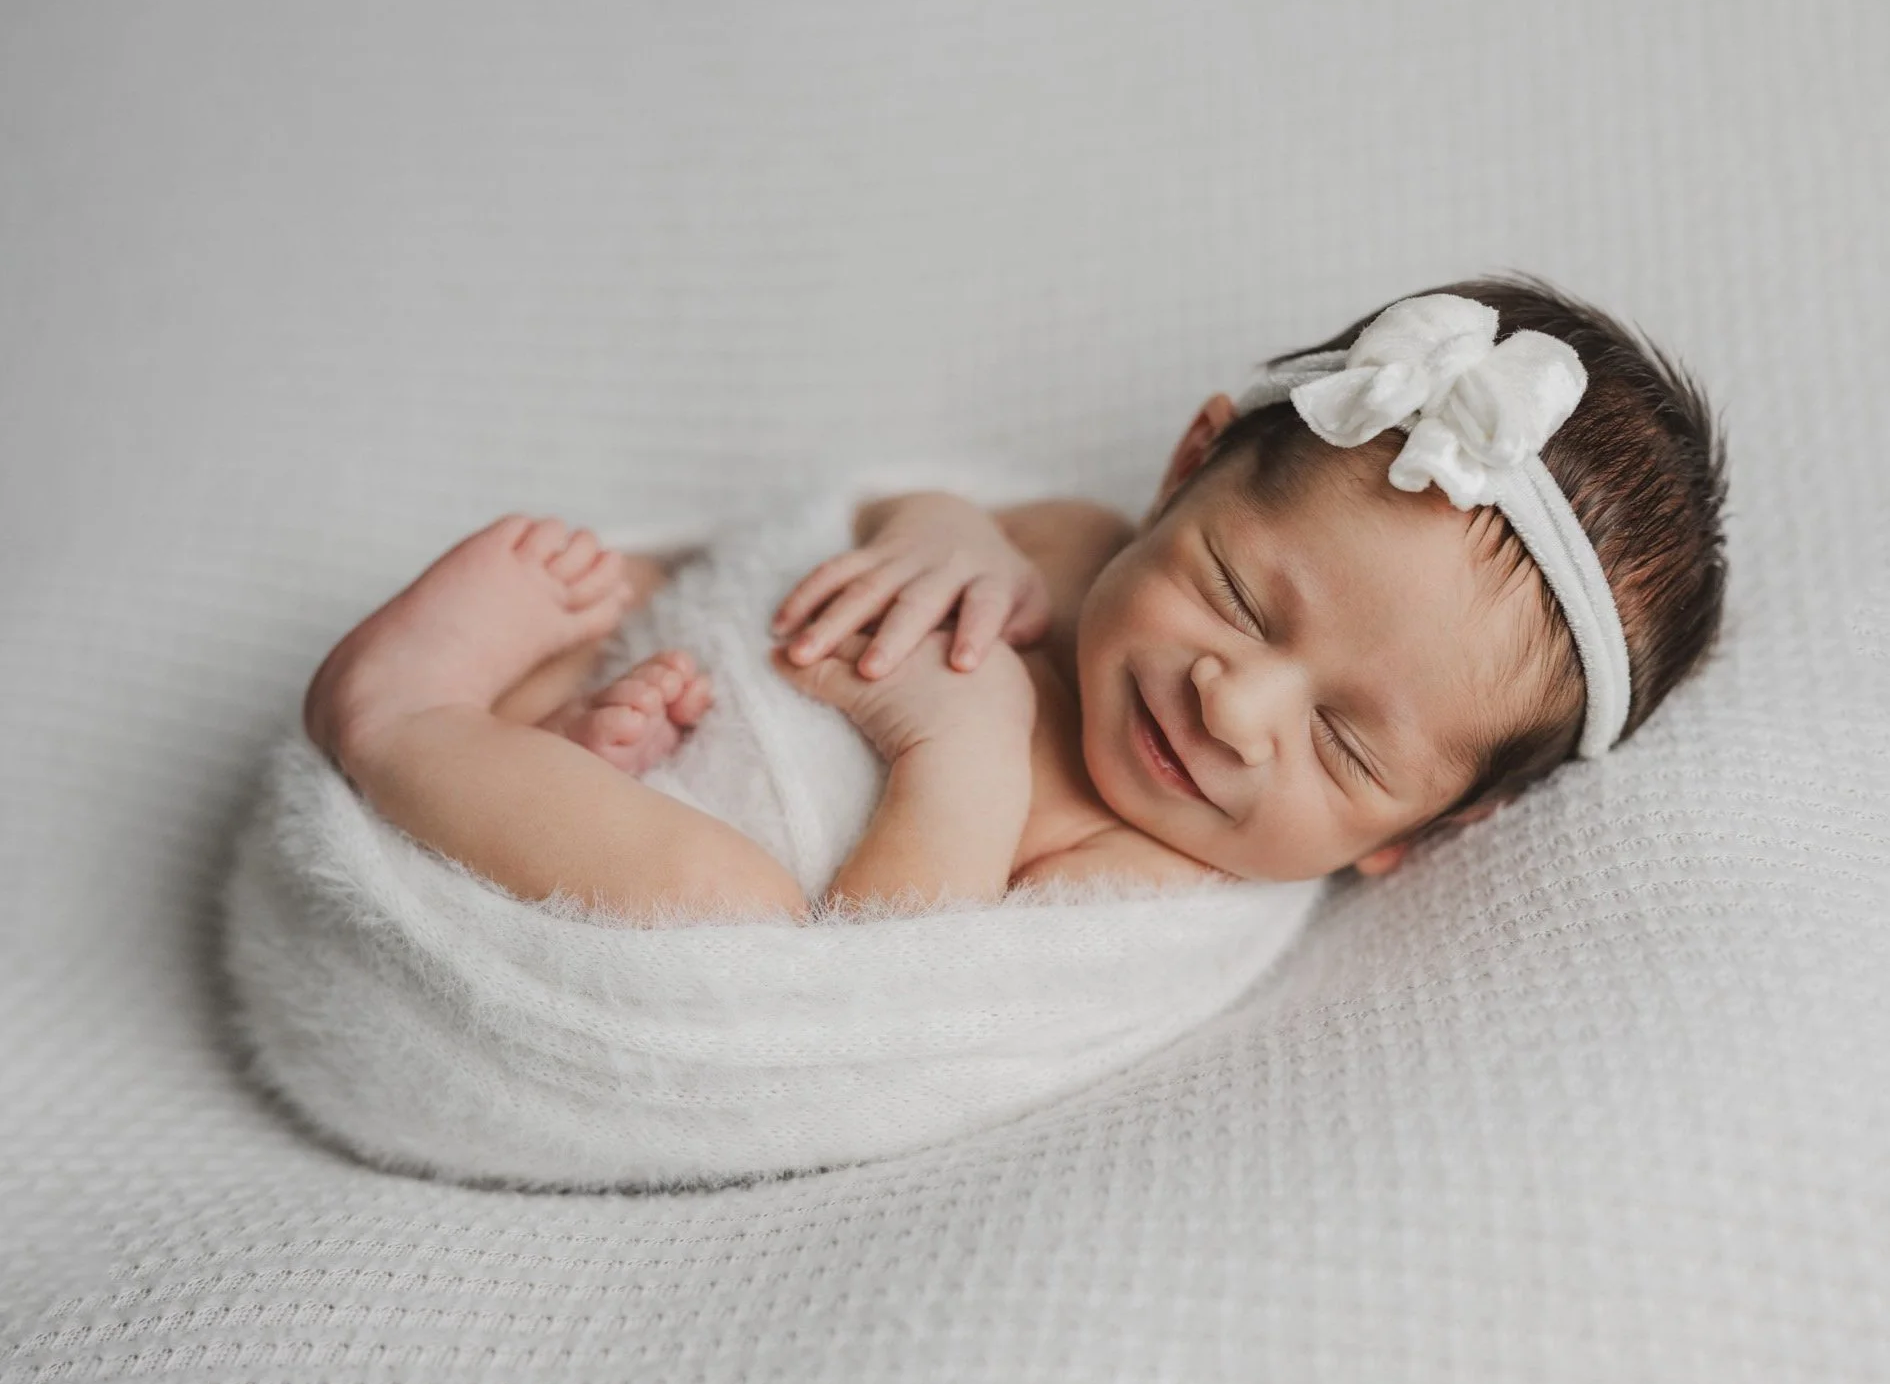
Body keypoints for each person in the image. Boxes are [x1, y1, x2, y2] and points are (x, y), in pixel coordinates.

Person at [301, 275, 1727, 922]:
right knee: (619, 595)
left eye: (1347, 746)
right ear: (1183, 471)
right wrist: (946, 538)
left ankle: (398, 713)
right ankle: (534, 729)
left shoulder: (1156, 875)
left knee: (715, 905)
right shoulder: (1078, 539)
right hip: (664, 710)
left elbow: (886, 971)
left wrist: (959, 745)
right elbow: (904, 509)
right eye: (1235, 592)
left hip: (651, 870)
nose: (1234, 702)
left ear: (1417, 833)